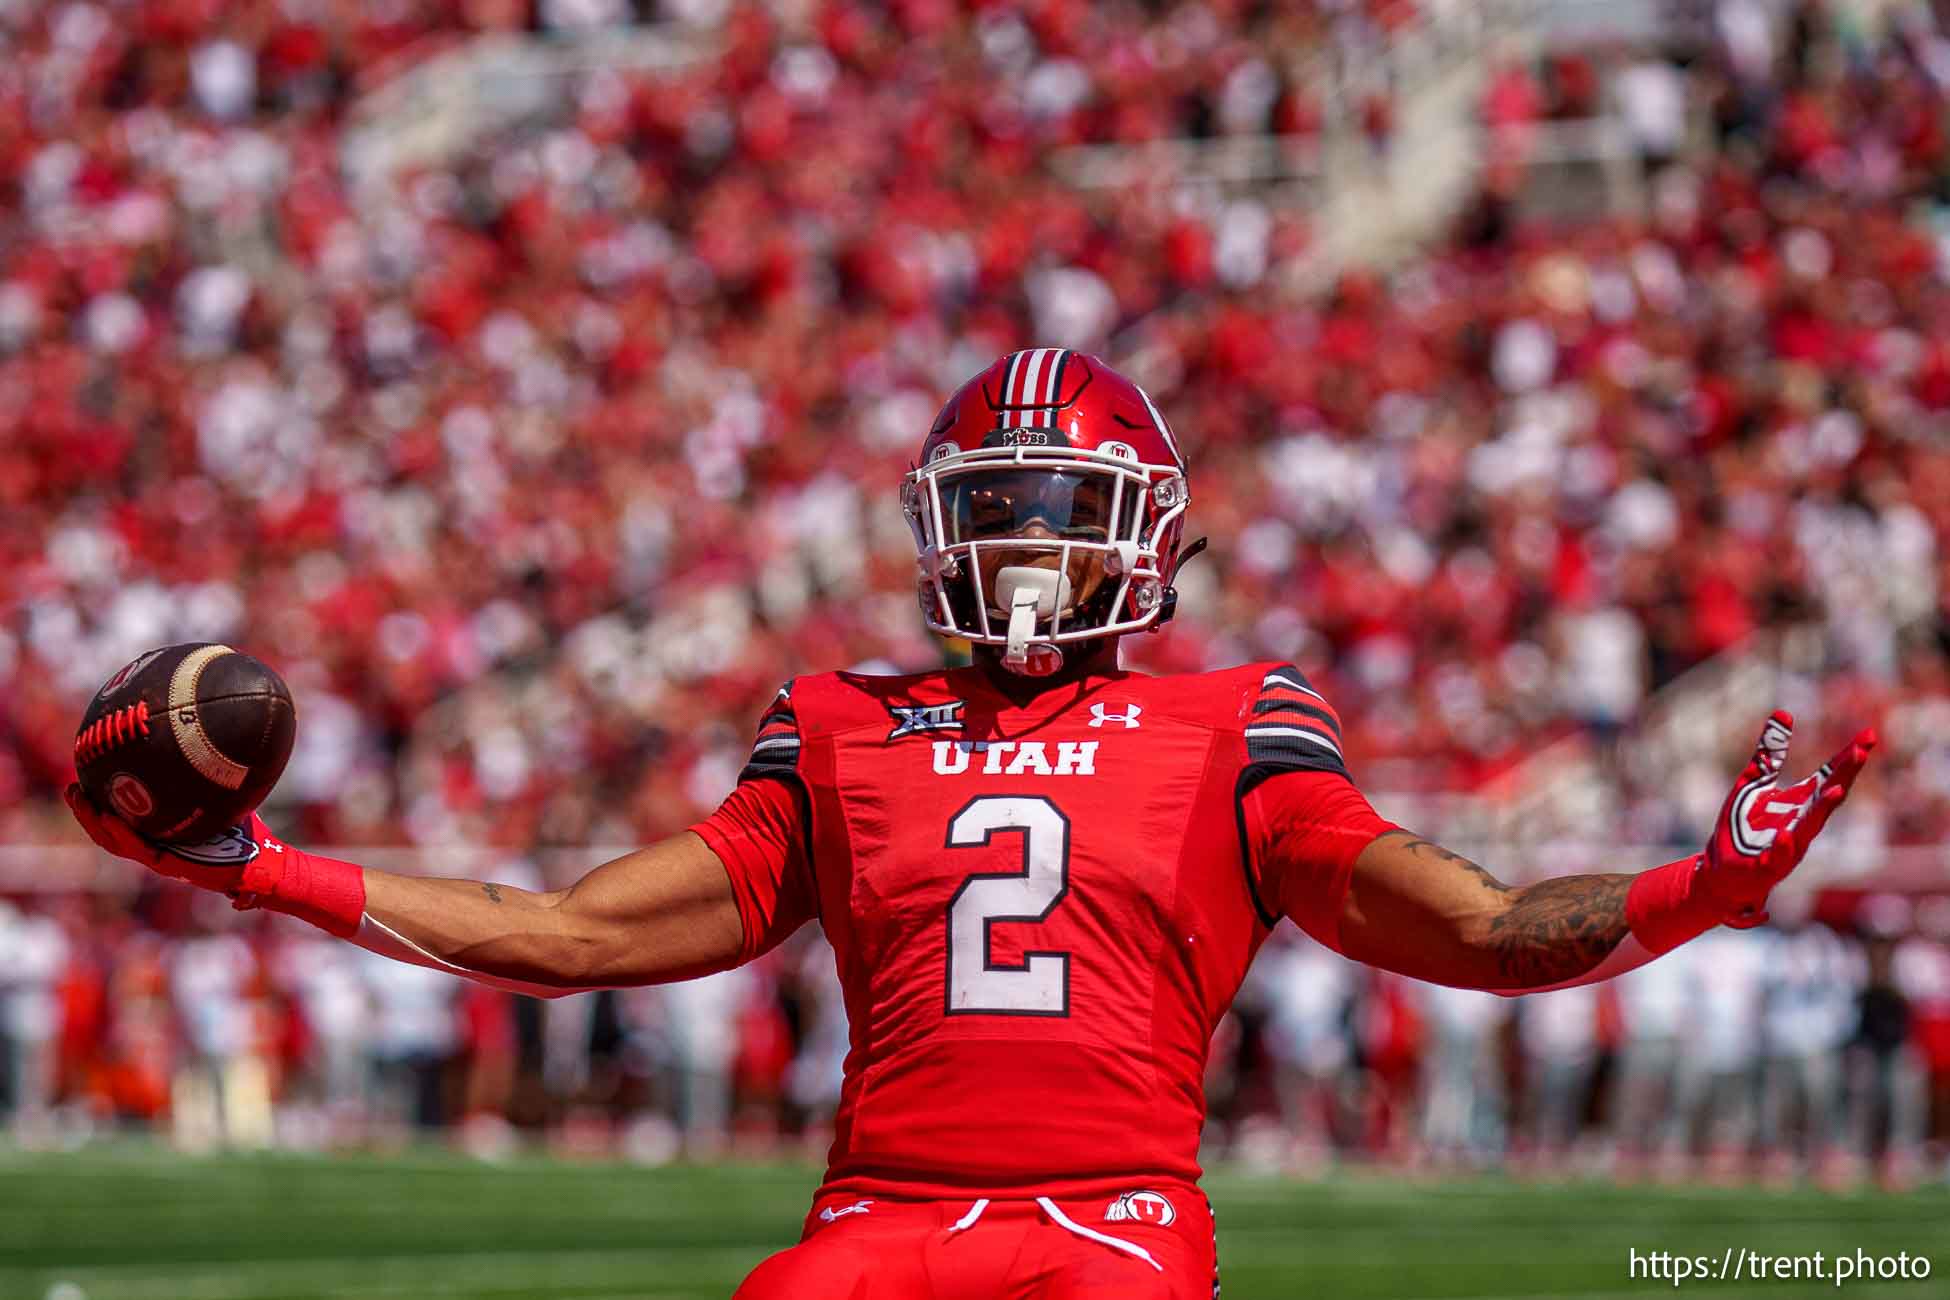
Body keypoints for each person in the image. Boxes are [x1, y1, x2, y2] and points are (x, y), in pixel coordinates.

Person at [69, 351, 1876, 1299]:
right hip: (877, 1221)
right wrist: (256, 869)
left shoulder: (1231, 722)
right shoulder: (838, 717)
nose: (1020, 542)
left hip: (1114, 1228)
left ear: (1144, 530)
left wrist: (1701, 888)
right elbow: (577, 937)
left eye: (1057, 507)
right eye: (993, 504)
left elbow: (1475, 930)